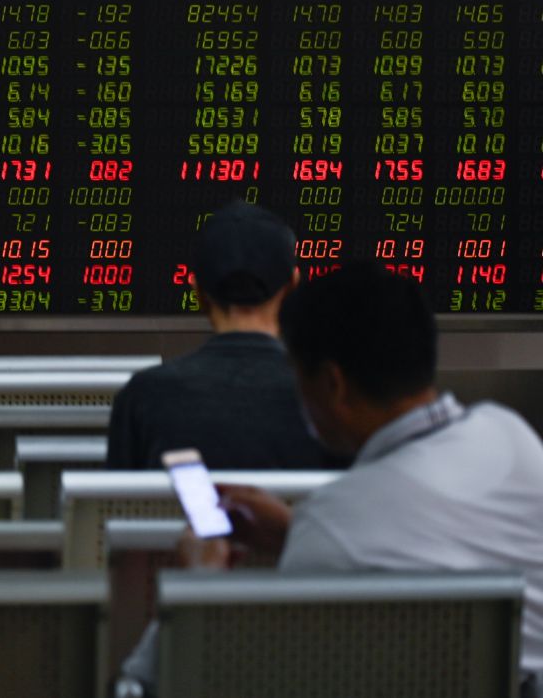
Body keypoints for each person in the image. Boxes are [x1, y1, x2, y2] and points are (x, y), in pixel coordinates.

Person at [125, 262, 543, 695]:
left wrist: (198, 587)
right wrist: (296, 532)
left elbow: (226, 681)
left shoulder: (335, 526)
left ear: (332, 384)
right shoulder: (512, 435)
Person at [106, 201, 338, 470]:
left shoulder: (143, 396)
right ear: (291, 287)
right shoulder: (329, 397)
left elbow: (116, 506)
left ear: (198, 293)